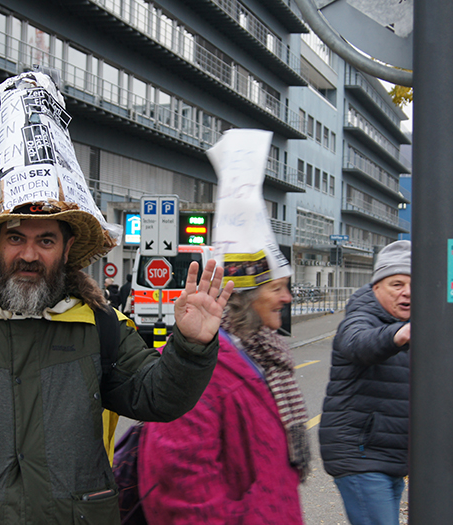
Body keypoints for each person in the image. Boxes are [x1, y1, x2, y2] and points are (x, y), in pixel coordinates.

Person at [0, 71, 234, 525]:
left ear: (65, 250)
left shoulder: (97, 325)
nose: (29, 254)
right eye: (15, 237)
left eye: (45, 240)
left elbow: (154, 396)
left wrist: (190, 347)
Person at [138, 129, 310, 524]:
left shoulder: (265, 357)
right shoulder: (205, 365)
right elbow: (177, 483)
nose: (287, 298)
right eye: (278, 288)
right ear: (247, 297)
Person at [318, 240, 411, 525]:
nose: (407, 292)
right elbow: (358, 343)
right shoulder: (361, 317)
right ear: (376, 287)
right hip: (361, 456)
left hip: (389, 457)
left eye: (414, 283)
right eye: (397, 284)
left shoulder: (415, 322)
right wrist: (397, 336)